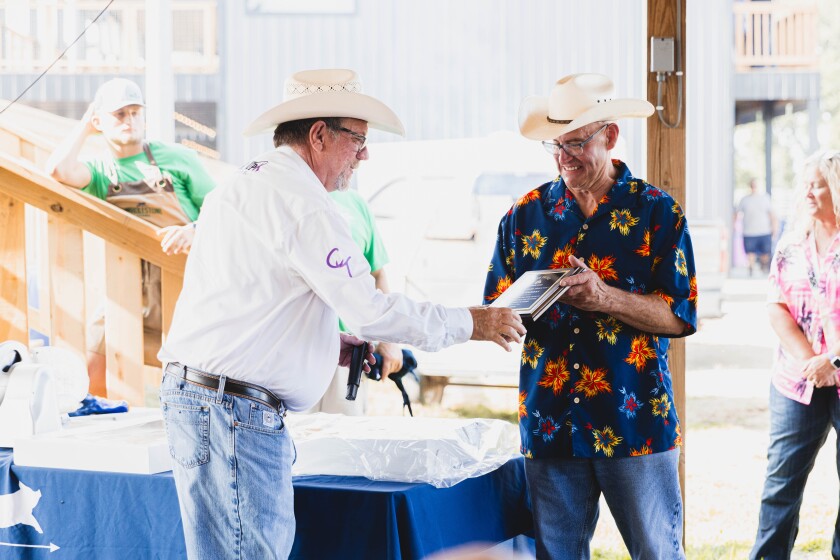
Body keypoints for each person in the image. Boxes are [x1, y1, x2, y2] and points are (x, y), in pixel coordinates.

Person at [157, 68, 525, 559]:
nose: (364, 154)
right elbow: (369, 311)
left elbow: (252, 303)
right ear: (318, 135)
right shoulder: (305, 203)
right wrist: (472, 322)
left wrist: (326, 345)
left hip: (207, 400)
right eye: (358, 139)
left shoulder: (242, 184)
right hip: (232, 414)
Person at [483, 73, 697, 559]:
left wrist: (605, 298)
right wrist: (523, 306)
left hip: (635, 421)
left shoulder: (658, 213)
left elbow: (680, 316)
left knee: (657, 552)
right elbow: (496, 312)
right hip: (551, 422)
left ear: (611, 136)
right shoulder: (525, 215)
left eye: (577, 143)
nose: (565, 157)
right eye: (556, 145)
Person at [45, 78, 216, 395]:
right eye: (119, 114)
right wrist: (85, 125)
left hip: (181, 284)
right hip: (127, 284)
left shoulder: (178, 158)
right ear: (99, 121)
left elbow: (224, 211)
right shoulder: (101, 171)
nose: (130, 121)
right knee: (95, 364)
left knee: (187, 373)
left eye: (136, 112)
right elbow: (58, 170)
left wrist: (192, 231)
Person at [750, 150, 840, 560]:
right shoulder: (792, 244)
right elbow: (776, 305)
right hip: (796, 381)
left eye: (817, 184)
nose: (807, 191)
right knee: (780, 483)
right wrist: (811, 361)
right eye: (803, 183)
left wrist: (832, 360)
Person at [308, 188, 404, 414]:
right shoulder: (290, 192)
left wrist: (387, 339)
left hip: (349, 356)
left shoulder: (356, 203)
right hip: (298, 353)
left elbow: (377, 274)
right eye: (358, 149)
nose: (362, 157)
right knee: (295, 443)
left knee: (343, 443)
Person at [736, 178, 778, 276]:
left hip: (764, 231)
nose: (753, 187)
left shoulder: (765, 198)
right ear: (749, 186)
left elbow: (772, 215)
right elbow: (737, 214)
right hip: (749, 232)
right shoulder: (744, 200)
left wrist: (774, 228)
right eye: (752, 185)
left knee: (765, 253)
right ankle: (751, 268)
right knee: (750, 252)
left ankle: (764, 267)